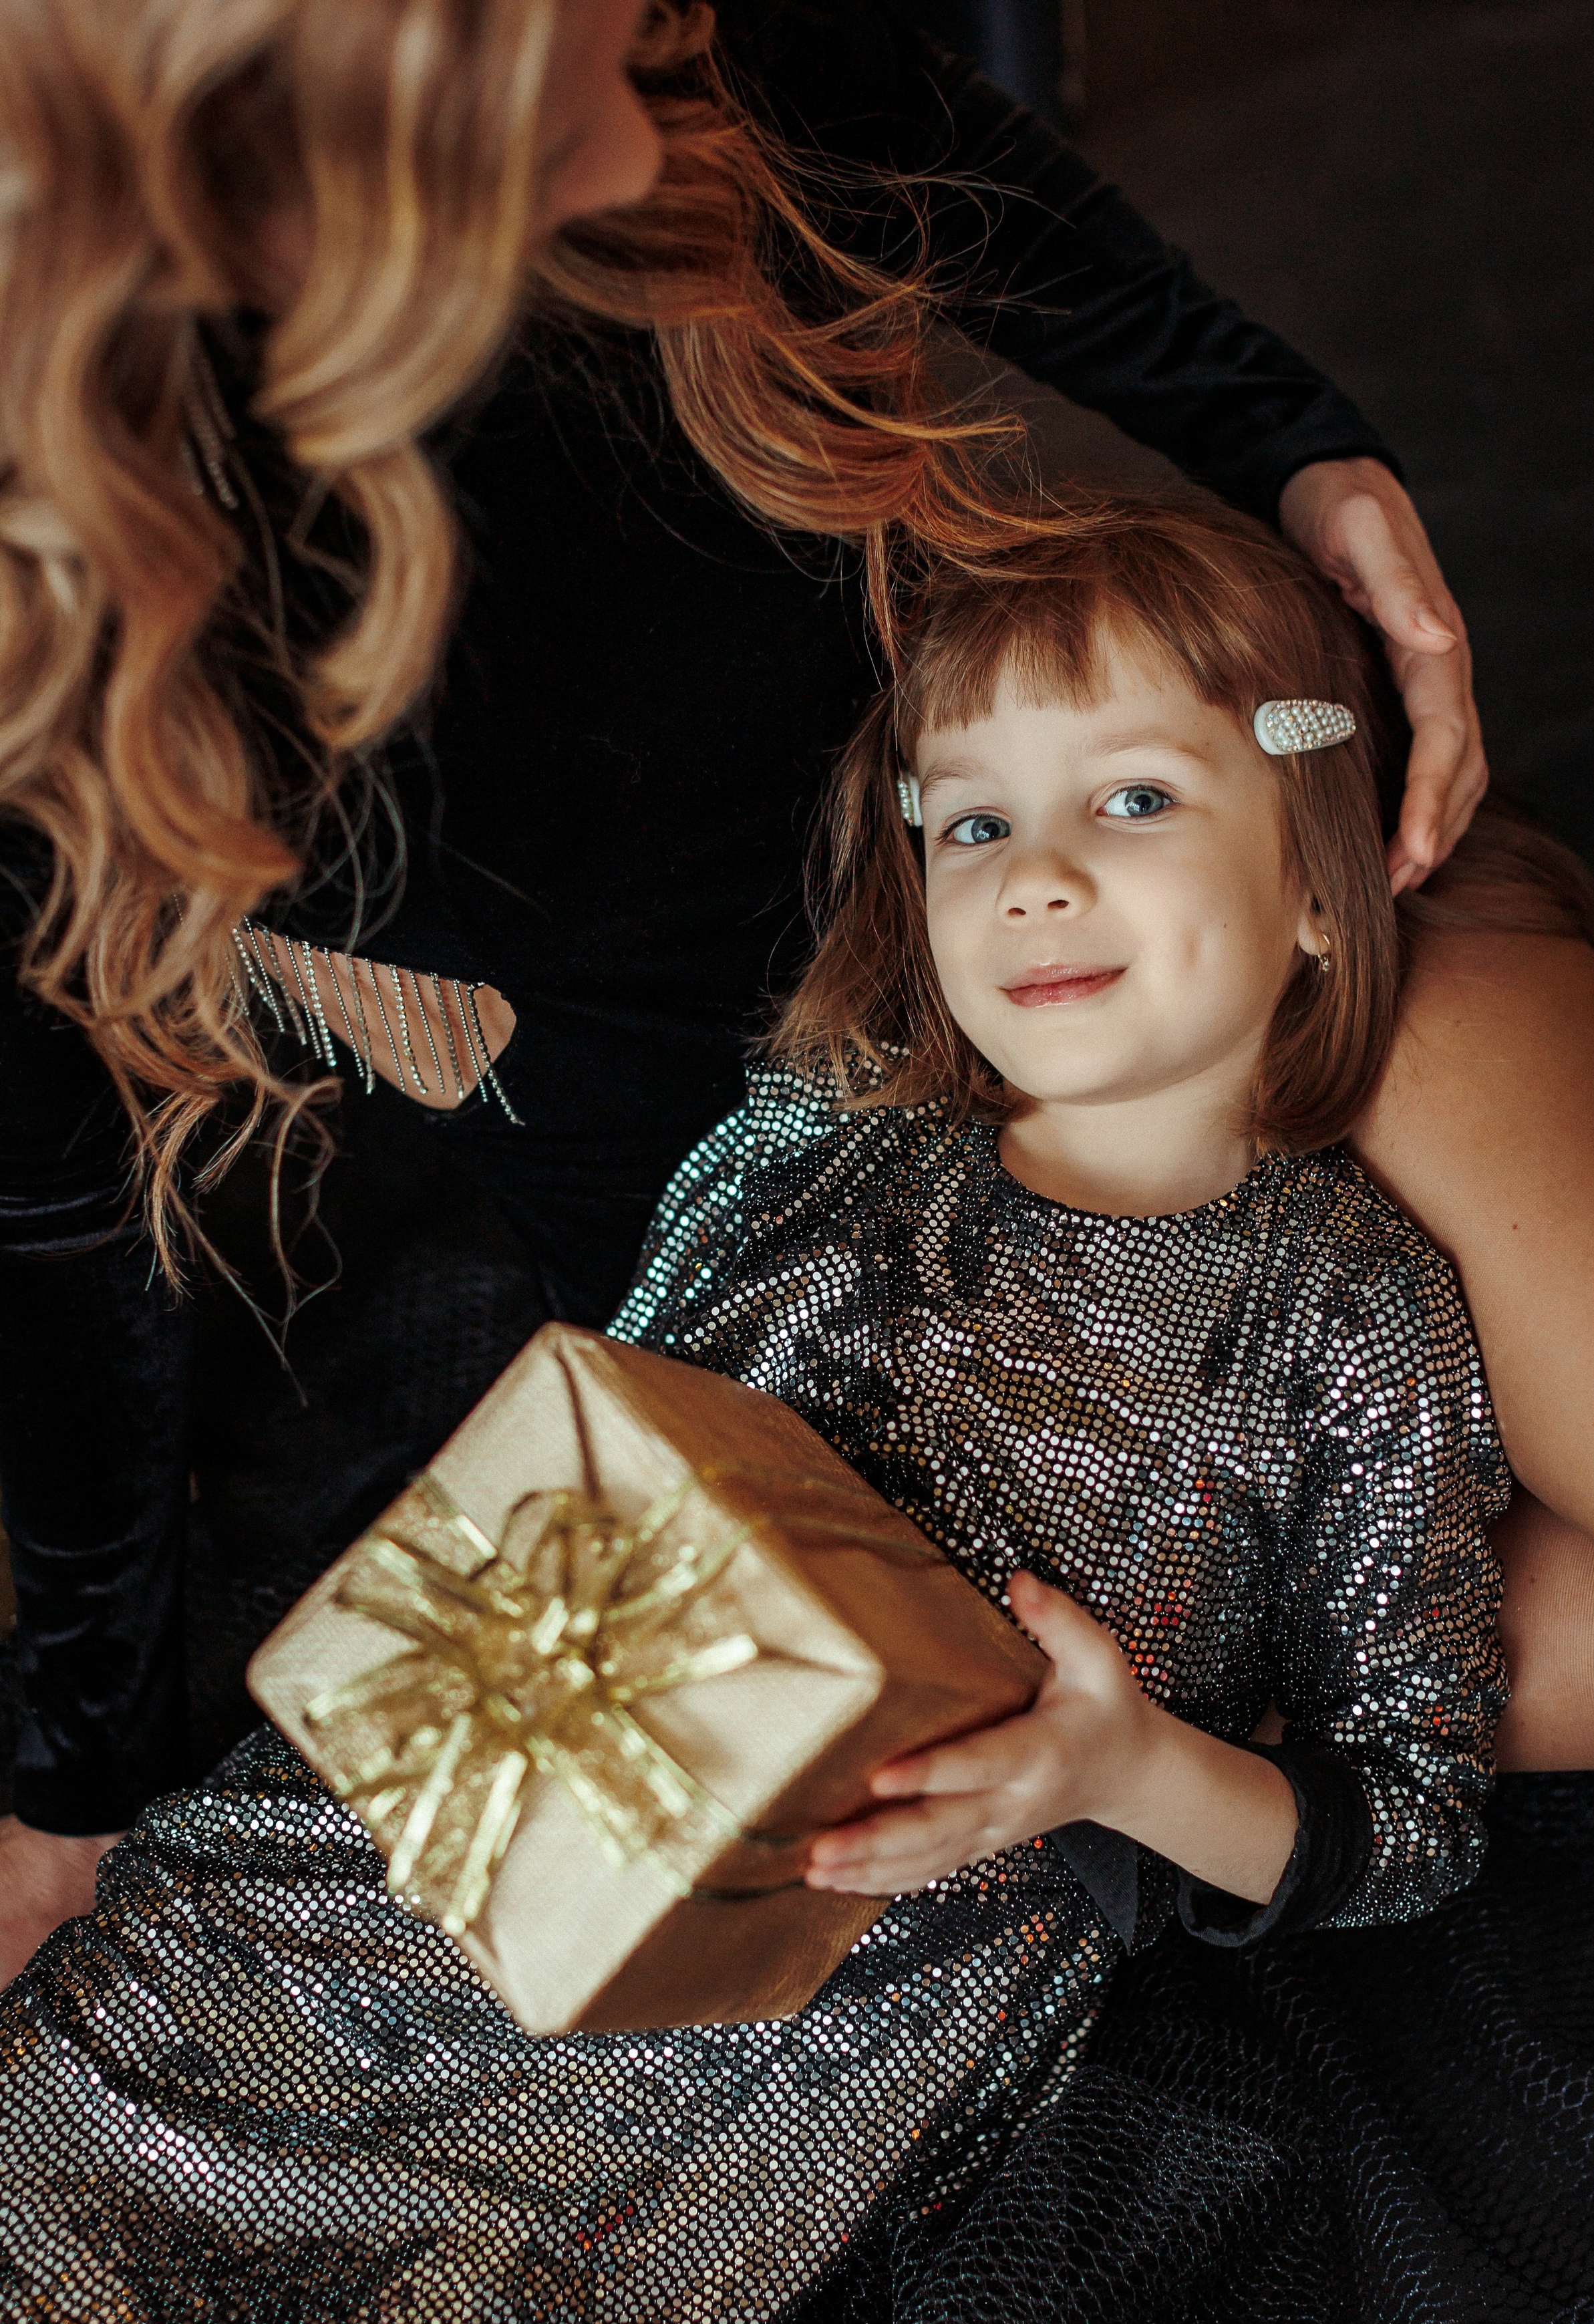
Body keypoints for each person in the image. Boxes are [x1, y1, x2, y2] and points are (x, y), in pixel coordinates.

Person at [1, 495, 1547, 2324]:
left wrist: (1122, 1766)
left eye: (1138, 796)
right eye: (972, 826)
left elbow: (1414, 1818)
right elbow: (618, 1444)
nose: (1040, 877)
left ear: (1328, 891)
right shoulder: (816, 1145)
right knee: (109, 2070)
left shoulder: (1349, 1316)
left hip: (778, 2032)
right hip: (460, 1814)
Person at [0, 0, 1502, 1985]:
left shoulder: (1283, 1065)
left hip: (1166, 934)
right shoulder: (750, 1194)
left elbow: (925, 149)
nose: (657, 143)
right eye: (600, 86)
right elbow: (68, 1176)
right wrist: (70, 1771)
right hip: (697, 1104)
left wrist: (1309, 458)